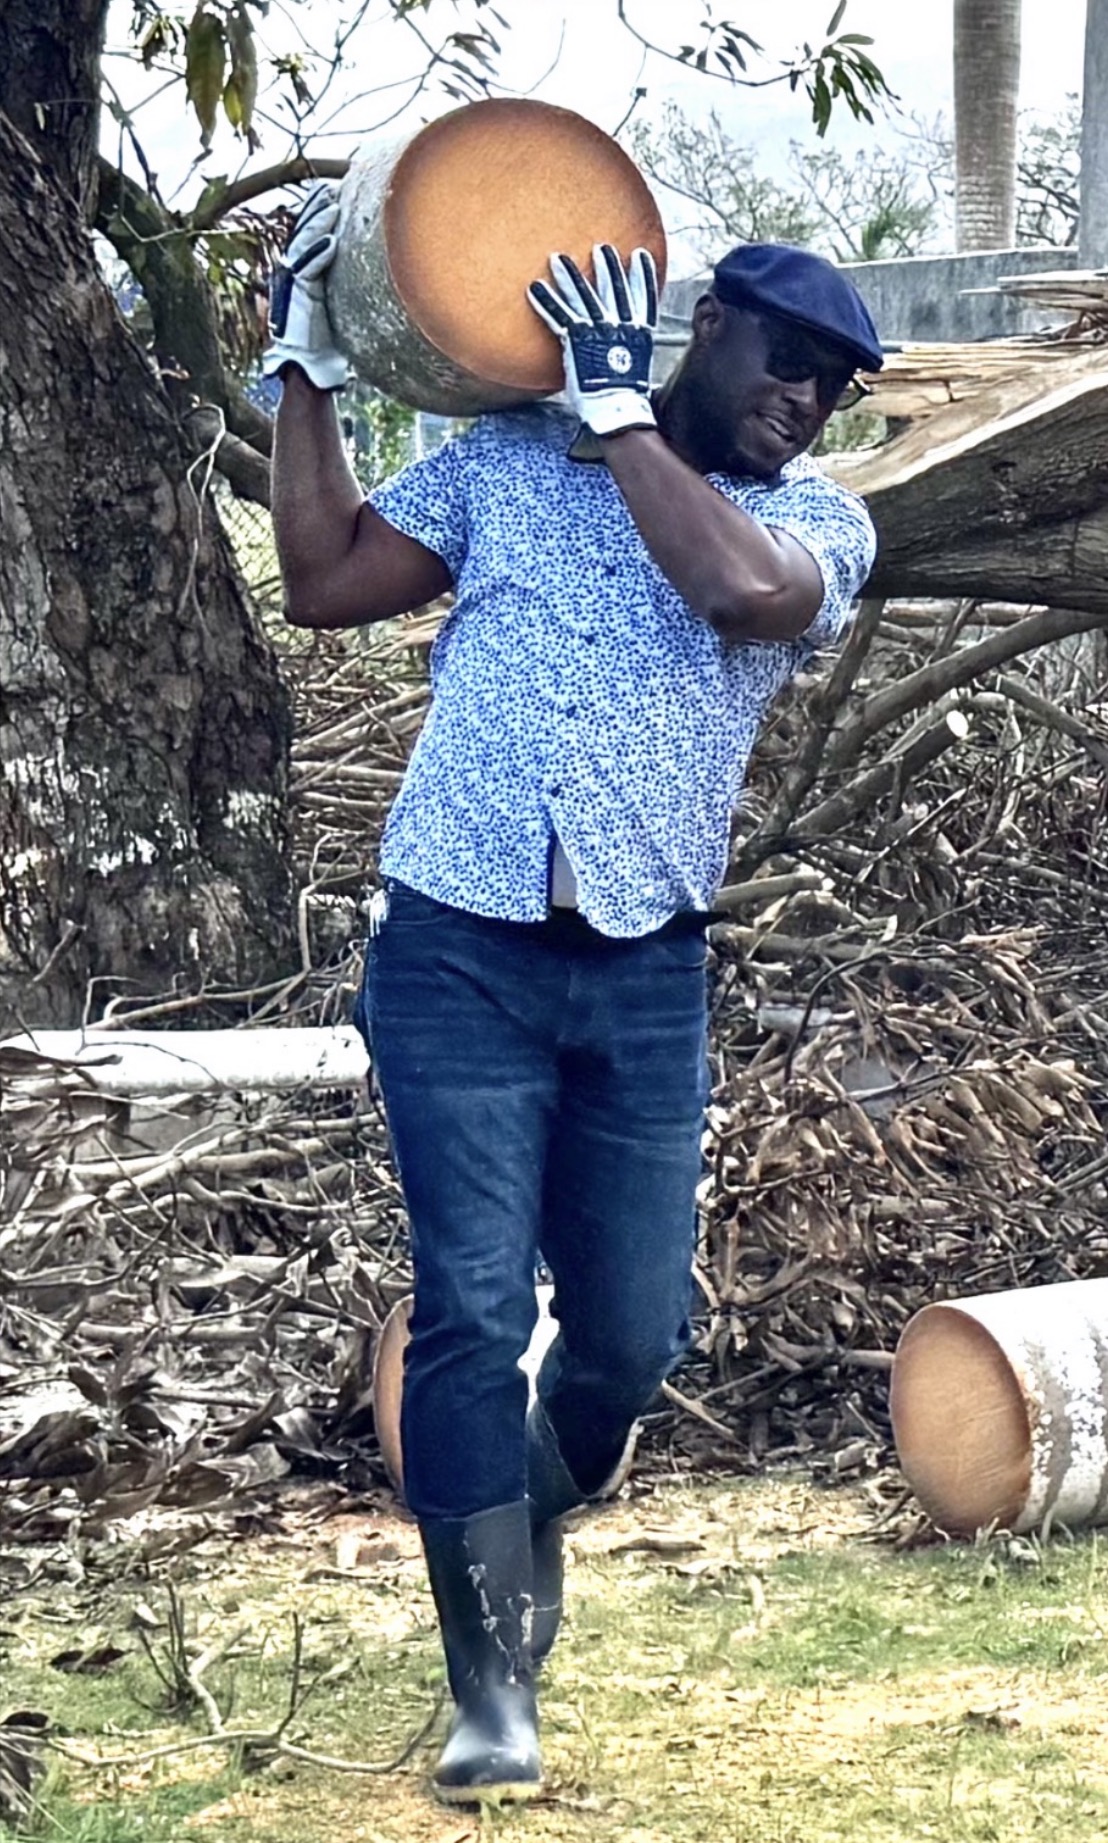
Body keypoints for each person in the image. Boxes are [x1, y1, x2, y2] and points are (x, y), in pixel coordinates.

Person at [264, 184, 883, 1807]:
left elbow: (742, 602)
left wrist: (619, 424)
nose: (807, 398)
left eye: (836, 382)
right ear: (710, 327)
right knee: (470, 1308)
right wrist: (307, 373)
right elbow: (323, 579)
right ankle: (490, 1684)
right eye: (790, 357)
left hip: (645, 979)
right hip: (456, 955)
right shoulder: (505, 469)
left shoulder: (813, 526)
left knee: (627, 1337)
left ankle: (517, 1519)